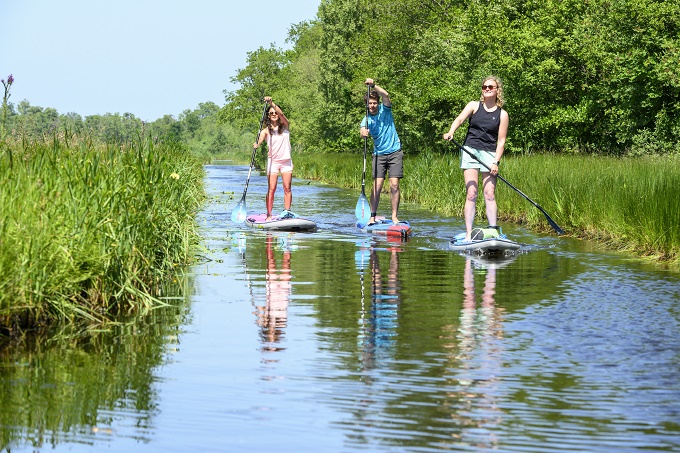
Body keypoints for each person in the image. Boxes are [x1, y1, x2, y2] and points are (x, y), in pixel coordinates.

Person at [443, 76, 509, 241]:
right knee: (472, 193)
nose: (487, 89)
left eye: (490, 87)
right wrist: (451, 131)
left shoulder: (502, 114)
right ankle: (468, 234)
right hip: (470, 150)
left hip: (489, 154)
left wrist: (496, 162)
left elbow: (501, 141)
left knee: (489, 193)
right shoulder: (473, 105)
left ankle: (493, 231)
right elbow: (459, 119)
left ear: (497, 90)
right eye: (484, 86)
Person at [360, 78, 404, 225]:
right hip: (379, 154)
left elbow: (385, 95)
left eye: (374, 103)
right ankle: (372, 216)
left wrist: (373, 86)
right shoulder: (366, 119)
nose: (372, 106)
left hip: (394, 151)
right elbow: (362, 130)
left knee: (394, 184)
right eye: (370, 104)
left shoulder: (385, 110)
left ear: (377, 104)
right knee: (377, 185)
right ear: (366, 105)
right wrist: (363, 133)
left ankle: (394, 217)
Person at [253, 96, 294, 221]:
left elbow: (281, 114)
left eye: (275, 112)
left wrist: (271, 103)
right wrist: (257, 144)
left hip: (286, 161)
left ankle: (287, 212)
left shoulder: (285, 126)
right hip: (273, 162)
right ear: (268, 116)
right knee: (272, 189)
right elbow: (259, 140)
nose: (274, 114)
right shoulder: (266, 131)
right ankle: (269, 214)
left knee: (287, 188)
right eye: (271, 113)